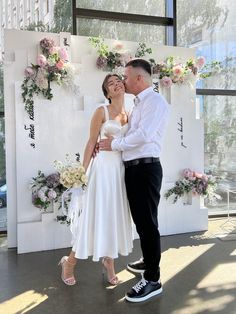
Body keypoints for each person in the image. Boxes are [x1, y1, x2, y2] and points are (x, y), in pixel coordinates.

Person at [99, 59, 169, 302]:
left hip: (146, 169)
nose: (123, 81)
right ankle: (149, 261)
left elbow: (143, 135)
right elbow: (131, 132)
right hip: (134, 169)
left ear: (139, 78)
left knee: (147, 223)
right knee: (142, 221)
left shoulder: (155, 102)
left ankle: (153, 279)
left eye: (126, 77)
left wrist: (114, 144)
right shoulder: (138, 104)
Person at [58, 74, 133, 286]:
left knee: (113, 216)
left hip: (120, 171)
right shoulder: (102, 111)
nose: (116, 83)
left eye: (119, 80)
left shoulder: (129, 115)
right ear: (107, 92)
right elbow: (92, 142)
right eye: (111, 83)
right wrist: (82, 172)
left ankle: (109, 261)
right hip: (101, 170)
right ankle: (69, 262)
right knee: (94, 216)